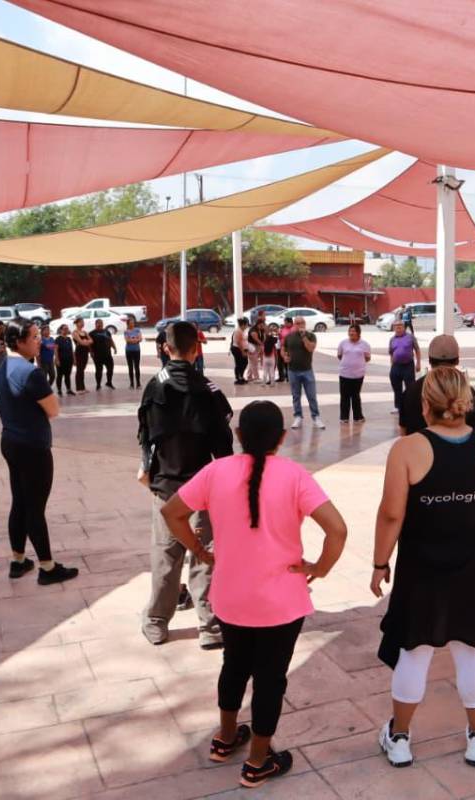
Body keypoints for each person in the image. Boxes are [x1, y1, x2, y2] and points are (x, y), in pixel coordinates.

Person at [161, 401, 347, 788]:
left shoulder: (216, 471)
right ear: (281, 438)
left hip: (229, 596)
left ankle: (226, 738)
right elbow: (338, 529)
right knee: (270, 679)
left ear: (239, 436)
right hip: (282, 601)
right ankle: (259, 761)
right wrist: (320, 568)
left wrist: (198, 550)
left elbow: (172, 512)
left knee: (234, 666)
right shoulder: (294, 475)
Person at [372, 366, 475, 769]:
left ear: (426, 404)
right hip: (472, 564)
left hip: (421, 567)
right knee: (471, 650)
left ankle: (400, 739)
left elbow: (391, 515)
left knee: (415, 651)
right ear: (466, 402)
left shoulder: (406, 449)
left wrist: (379, 563)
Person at [138, 321, 233, 648]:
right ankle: (209, 626)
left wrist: (148, 470)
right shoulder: (210, 391)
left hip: (165, 488)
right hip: (202, 488)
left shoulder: (154, 387)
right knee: (204, 555)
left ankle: (156, 623)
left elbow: (146, 438)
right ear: (197, 348)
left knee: (166, 556)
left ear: (166, 348)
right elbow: (223, 448)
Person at [0, 321, 78, 585]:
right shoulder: (31, 373)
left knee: (20, 501)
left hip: (12, 441)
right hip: (33, 446)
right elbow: (53, 410)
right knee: (34, 507)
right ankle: (47, 567)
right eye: (33, 337)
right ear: (19, 342)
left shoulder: (1, 366)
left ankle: (18, 560)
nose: (39, 340)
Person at [399, 335, 475, 436]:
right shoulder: (467, 392)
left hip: (417, 450)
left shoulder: (410, 391)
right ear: (457, 360)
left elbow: (403, 431)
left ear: (430, 360)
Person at [283, 316, 324, 430]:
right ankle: (298, 416)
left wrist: (304, 337)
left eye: (301, 323)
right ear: (294, 324)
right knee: (296, 396)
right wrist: (285, 356)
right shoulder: (289, 337)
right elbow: (284, 348)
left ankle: (316, 417)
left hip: (307, 371)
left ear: (305, 323)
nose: (299, 324)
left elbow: (311, 349)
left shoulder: (311, 335)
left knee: (311, 396)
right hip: (292, 371)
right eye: (297, 323)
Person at [336, 323, 371, 424]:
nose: (351, 333)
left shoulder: (365, 344)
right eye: (350, 331)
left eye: (354, 331)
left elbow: (367, 358)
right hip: (344, 374)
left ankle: (358, 417)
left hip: (358, 375)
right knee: (344, 396)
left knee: (355, 396)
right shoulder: (343, 343)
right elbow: (339, 355)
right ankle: (344, 417)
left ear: (358, 333)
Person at [387, 320, 420, 417]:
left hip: (408, 365)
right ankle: (398, 406)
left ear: (404, 327)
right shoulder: (392, 339)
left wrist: (418, 363)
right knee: (397, 387)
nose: (398, 328)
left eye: (400, 326)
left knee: (410, 388)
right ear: (393, 328)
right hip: (396, 366)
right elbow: (391, 352)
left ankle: (411, 406)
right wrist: (392, 364)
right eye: (396, 326)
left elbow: (417, 350)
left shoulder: (410, 337)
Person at [90, 318, 116, 390]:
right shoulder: (92, 333)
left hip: (107, 354)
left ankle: (109, 382)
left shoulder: (107, 332)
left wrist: (114, 348)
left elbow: (110, 340)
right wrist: (91, 352)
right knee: (99, 370)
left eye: (101, 323)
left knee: (110, 368)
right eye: (98, 323)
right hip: (97, 355)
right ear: (95, 324)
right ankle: (98, 384)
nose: (100, 324)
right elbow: (89, 345)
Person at [72, 318, 92, 393]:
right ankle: (78, 388)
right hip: (79, 352)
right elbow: (81, 342)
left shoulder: (85, 332)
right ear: (77, 323)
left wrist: (85, 341)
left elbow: (92, 340)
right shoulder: (75, 332)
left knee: (82, 370)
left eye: (83, 322)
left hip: (85, 352)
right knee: (79, 370)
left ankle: (83, 387)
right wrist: (86, 342)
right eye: (80, 322)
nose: (82, 323)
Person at [54, 324, 75, 396]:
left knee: (67, 375)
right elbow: (56, 350)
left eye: (67, 329)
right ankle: (59, 390)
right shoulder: (58, 339)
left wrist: (74, 359)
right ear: (61, 330)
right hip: (61, 360)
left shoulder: (69, 339)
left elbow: (71, 350)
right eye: (64, 329)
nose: (66, 330)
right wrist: (57, 360)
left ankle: (68, 389)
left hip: (69, 360)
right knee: (60, 375)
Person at [124, 316, 143, 389]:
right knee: (130, 367)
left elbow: (140, 338)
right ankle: (131, 384)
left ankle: (138, 383)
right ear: (128, 324)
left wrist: (133, 340)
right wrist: (135, 340)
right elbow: (127, 340)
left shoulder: (137, 330)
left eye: (133, 323)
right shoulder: (126, 331)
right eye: (131, 323)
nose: (132, 324)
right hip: (129, 351)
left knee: (137, 367)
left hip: (137, 350)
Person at [37, 323, 57, 389]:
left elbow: (54, 348)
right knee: (44, 377)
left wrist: (56, 358)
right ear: (42, 331)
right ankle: (44, 391)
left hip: (50, 360)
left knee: (53, 376)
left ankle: (47, 388)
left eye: (48, 330)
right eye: (45, 330)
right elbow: (38, 352)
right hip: (43, 361)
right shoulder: (41, 340)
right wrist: (38, 363)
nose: (47, 331)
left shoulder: (51, 339)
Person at [230, 317, 249, 385]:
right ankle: (238, 378)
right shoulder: (238, 331)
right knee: (239, 363)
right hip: (237, 349)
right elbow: (238, 342)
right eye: (246, 325)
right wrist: (242, 351)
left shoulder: (241, 331)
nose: (247, 326)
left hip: (240, 349)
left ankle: (241, 376)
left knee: (244, 362)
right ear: (243, 325)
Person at [246, 319, 264, 383]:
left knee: (251, 363)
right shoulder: (253, 330)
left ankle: (249, 377)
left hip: (256, 347)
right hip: (252, 348)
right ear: (259, 324)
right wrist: (263, 345)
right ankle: (256, 378)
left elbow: (262, 338)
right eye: (262, 325)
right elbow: (257, 340)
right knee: (254, 363)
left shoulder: (260, 329)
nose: (263, 326)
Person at [276, 317, 293, 383]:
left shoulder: (293, 329)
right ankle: (281, 377)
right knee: (279, 363)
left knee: (287, 363)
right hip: (281, 347)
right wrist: (279, 334)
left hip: (288, 348)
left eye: (286, 322)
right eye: (284, 322)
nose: (284, 323)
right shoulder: (283, 328)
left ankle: (288, 377)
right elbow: (281, 337)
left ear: (290, 322)